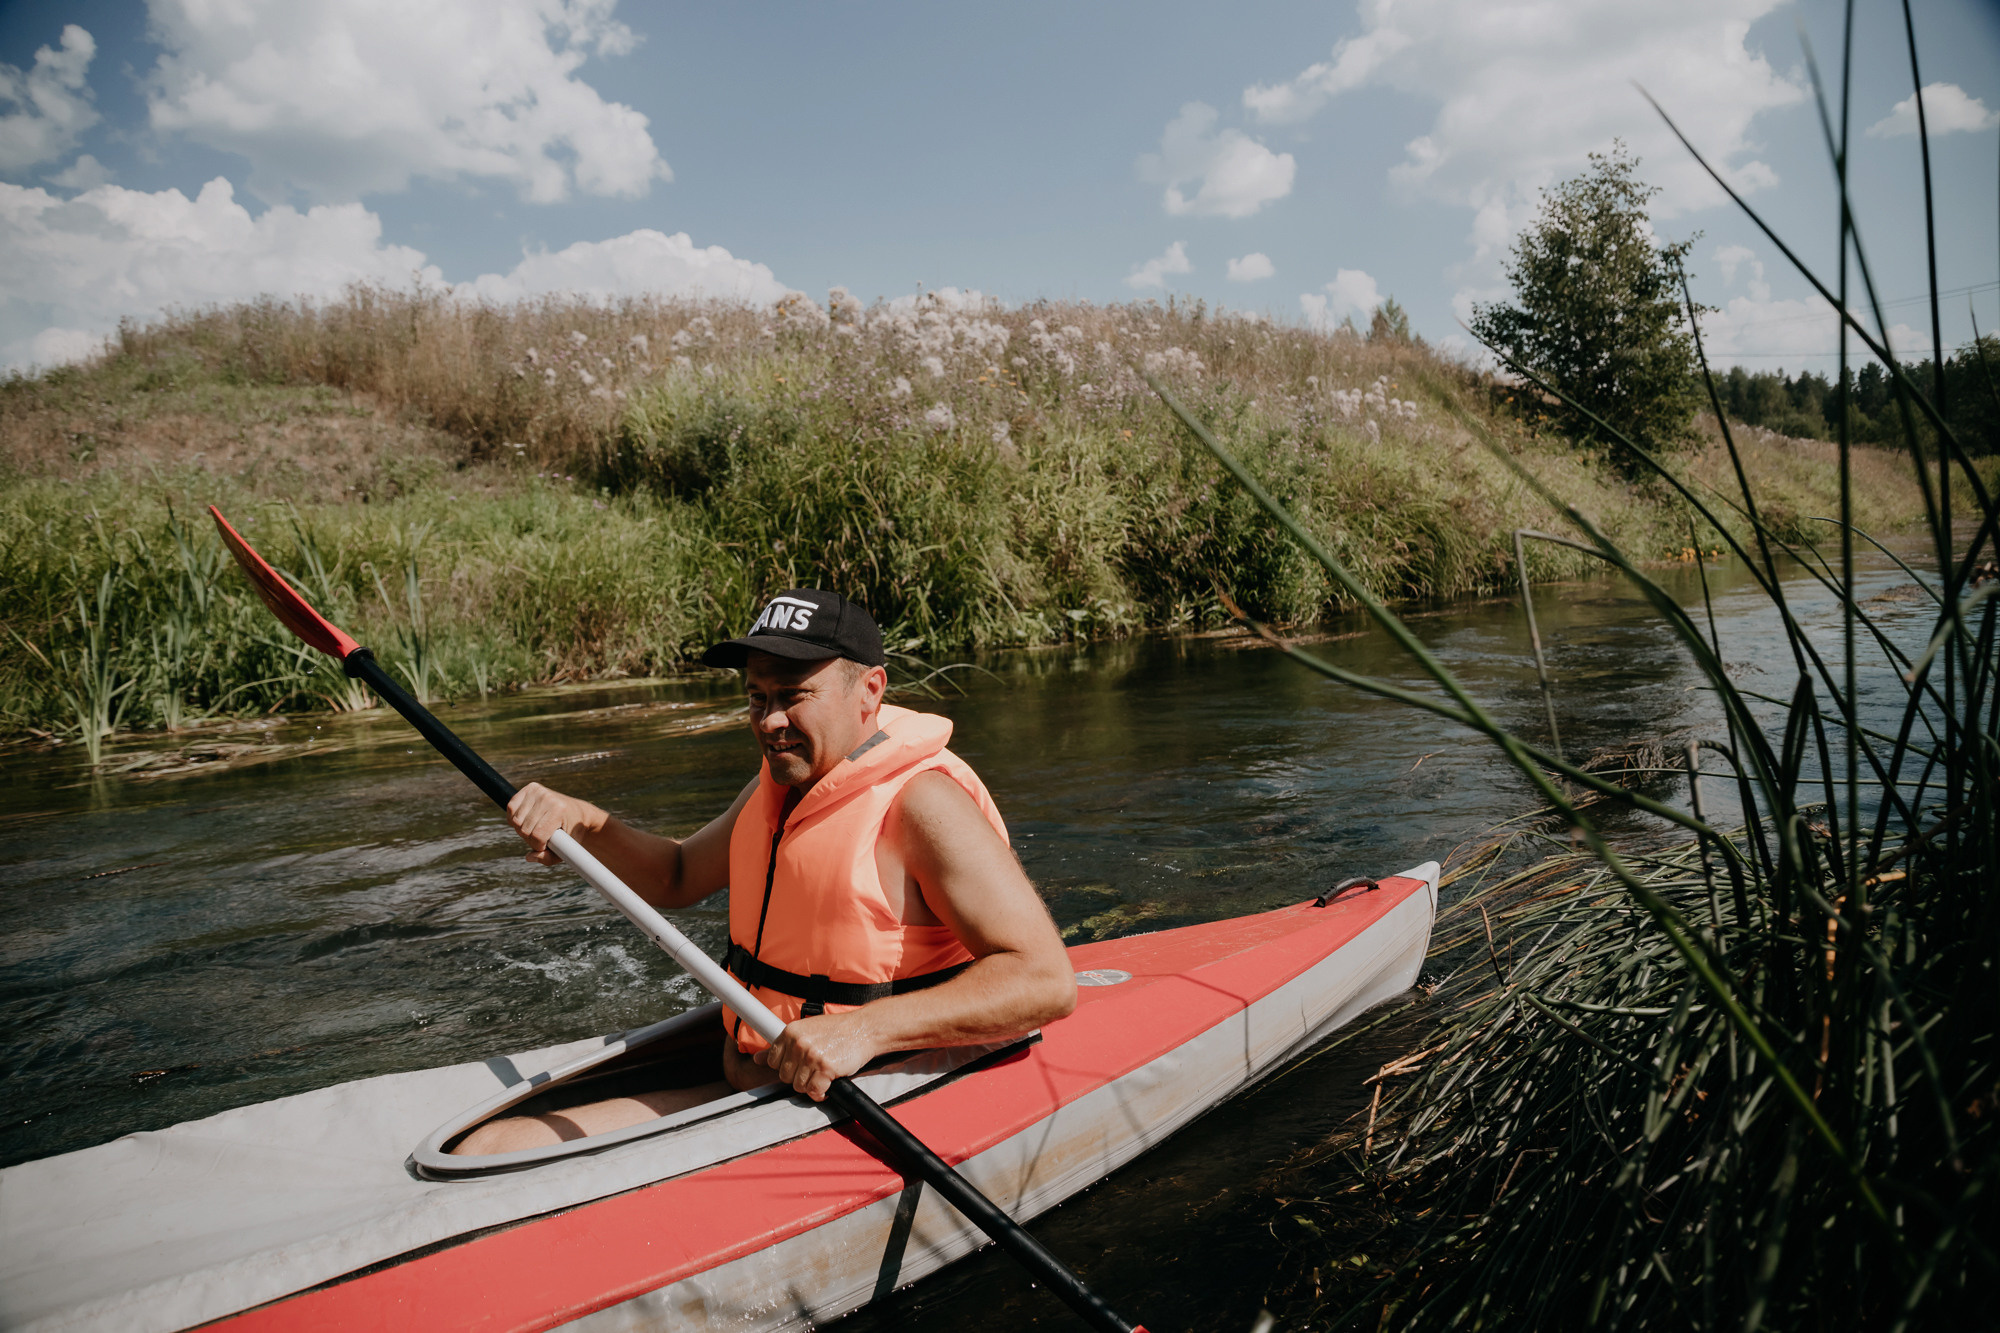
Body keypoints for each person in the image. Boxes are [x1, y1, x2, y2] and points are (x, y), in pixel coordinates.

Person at [454, 589, 1076, 1155]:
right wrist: (585, 824)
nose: (769, 720)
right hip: (754, 1070)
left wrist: (863, 1030)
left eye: (794, 695)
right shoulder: (783, 784)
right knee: (480, 1144)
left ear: (871, 691)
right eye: (758, 696)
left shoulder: (923, 805)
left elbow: (1044, 980)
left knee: (493, 1150)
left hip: (856, 1093)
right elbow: (676, 875)